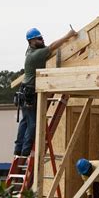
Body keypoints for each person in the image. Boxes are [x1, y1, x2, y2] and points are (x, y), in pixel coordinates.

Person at [14, 27, 77, 157]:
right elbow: (52, 47)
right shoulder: (36, 55)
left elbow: (49, 46)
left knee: (25, 121)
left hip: (25, 90)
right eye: (39, 39)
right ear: (31, 41)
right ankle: (25, 152)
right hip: (30, 92)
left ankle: (18, 149)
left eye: (42, 37)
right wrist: (68, 36)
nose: (42, 40)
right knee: (32, 123)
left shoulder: (31, 51)